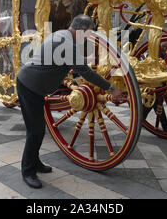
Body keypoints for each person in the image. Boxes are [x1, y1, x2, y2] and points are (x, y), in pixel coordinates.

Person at [16, 15, 122, 189]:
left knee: (37, 130)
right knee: (35, 131)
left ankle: (34, 162)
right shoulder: (67, 44)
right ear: (81, 31)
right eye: (88, 34)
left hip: (32, 84)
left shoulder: (61, 35)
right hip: (30, 86)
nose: (88, 38)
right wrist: (111, 88)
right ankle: (27, 171)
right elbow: (85, 72)